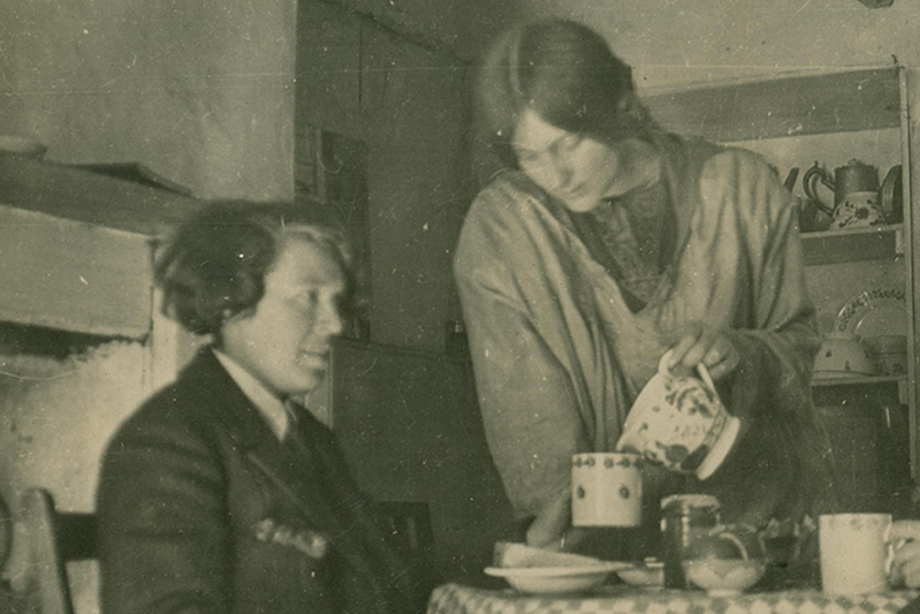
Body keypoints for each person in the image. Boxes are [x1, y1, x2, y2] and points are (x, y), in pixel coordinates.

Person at [454, 18, 837, 561]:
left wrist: (742, 352)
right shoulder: (505, 230)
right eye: (530, 156)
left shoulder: (743, 189)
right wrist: (567, 542)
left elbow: (797, 348)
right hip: (604, 546)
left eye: (567, 144)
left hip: (753, 537)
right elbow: (528, 423)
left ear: (618, 106)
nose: (556, 174)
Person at [97, 202, 431, 614]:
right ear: (228, 301)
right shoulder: (167, 439)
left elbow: (388, 577)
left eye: (335, 302)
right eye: (308, 298)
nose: (335, 324)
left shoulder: (310, 437)